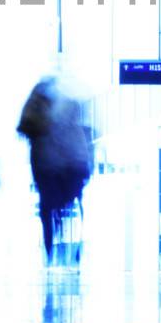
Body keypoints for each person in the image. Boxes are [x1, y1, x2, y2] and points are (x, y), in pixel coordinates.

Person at [17, 76, 94, 262]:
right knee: (58, 205)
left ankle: (50, 249)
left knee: (48, 207)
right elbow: (80, 149)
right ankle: (58, 247)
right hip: (60, 167)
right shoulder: (64, 113)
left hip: (46, 166)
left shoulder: (39, 109)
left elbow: (24, 129)